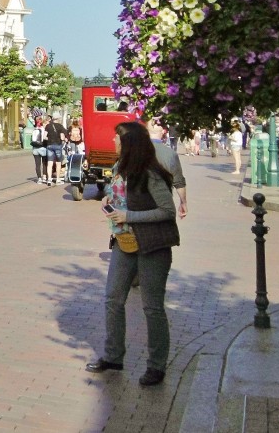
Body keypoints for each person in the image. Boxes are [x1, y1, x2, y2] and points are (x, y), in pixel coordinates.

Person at [86, 121, 178, 387]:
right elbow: (117, 192)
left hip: (152, 245)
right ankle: (113, 356)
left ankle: (156, 365)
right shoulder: (119, 168)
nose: (113, 141)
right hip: (124, 242)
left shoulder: (150, 174)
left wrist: (129, 216)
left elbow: (167, 211)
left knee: (152, 306)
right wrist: (108, 199)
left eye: (117, 138)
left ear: (129, 144)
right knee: (113, 298)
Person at [148, 119, 188, 218]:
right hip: (163, 204)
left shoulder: (135, 151)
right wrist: (183, 203)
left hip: (138, 205)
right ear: (164, 131)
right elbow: (179, 182)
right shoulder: (170, 154)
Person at [44, 115, 67, 184]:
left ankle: (49, 179)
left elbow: (44, 137)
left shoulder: (48, 126)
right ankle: (58, 179)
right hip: (58, 145)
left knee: (50, 162)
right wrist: (64, 139)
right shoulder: (60, 126)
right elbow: (62, 137)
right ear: (58, 119)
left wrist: (50, 139)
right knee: (58, 163)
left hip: (49, 145)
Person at [31, 118, 49, 183]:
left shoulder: (35, 129)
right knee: (44, 163)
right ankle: (44, 177)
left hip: (35, 148)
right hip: (43, 148)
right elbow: (45, 139)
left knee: (37, 164)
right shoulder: (44, 130)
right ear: (43, 124)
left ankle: (39, 178)